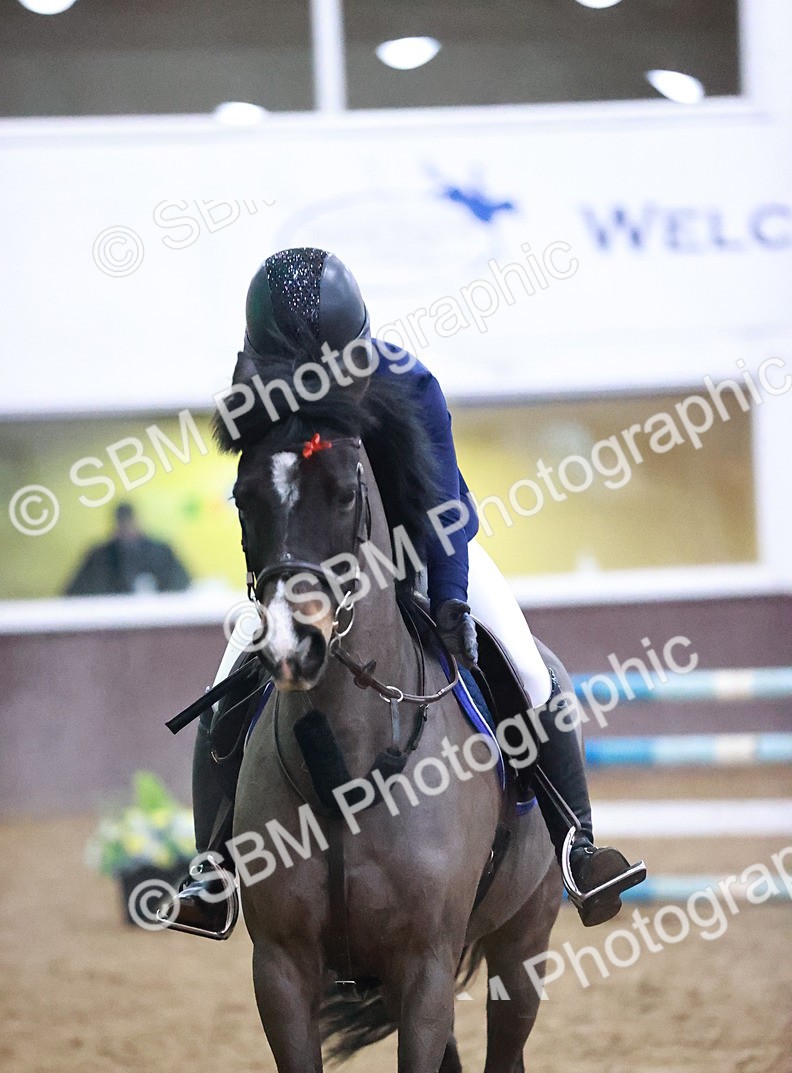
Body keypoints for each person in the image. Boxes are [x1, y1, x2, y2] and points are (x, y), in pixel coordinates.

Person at [164, 247, 645, 939]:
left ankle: (578, 847)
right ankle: (210, 867)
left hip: (427, 549)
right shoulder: (257, 398)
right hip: (313, 573)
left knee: (532, 669)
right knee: (230, 681)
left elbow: (445, 505)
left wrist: (450, 600)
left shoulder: (408, 383)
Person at [65, 502, 191, 596]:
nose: (127, 528)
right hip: (110, 621)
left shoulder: (161, 551)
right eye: (122, 524)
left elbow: (183, 584)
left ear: (136, 521)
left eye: (129, 522)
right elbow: (75, 592)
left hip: (157, 617)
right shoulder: (100, 556)